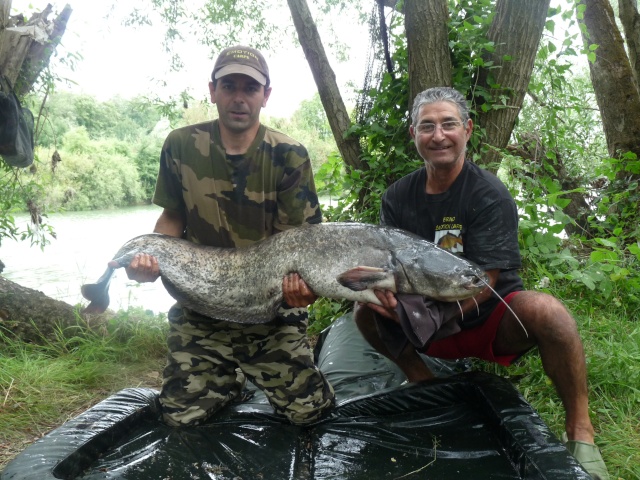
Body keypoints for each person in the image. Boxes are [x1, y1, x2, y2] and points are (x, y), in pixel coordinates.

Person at [353, 87, 610, 480]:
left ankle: (581, 429)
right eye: (427, 126)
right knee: (362, 311)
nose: (438, 135)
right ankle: (424, 382)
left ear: (467, 129)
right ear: (414, 135)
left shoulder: (488, 193)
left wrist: (434, 317)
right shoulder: (396, 196)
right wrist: (388, 299)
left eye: (448, 124)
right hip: (423, 316)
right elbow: (391, 264)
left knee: (550, 313)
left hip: (487, 314)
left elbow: (485, 280)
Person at [125, 45, 334, 427]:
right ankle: (225, 380)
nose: (239, 97)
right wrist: (151, 262)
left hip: (271, 312)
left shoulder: (289, 154)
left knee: (310, 415)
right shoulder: (180, 145)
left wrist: (306, 290)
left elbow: (303, 245)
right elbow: (172, 216)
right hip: (200, 308)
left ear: (265, 96)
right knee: (180, 418)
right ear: (213, 90)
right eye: (229, 85)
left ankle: (247, 372)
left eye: (250, 88)